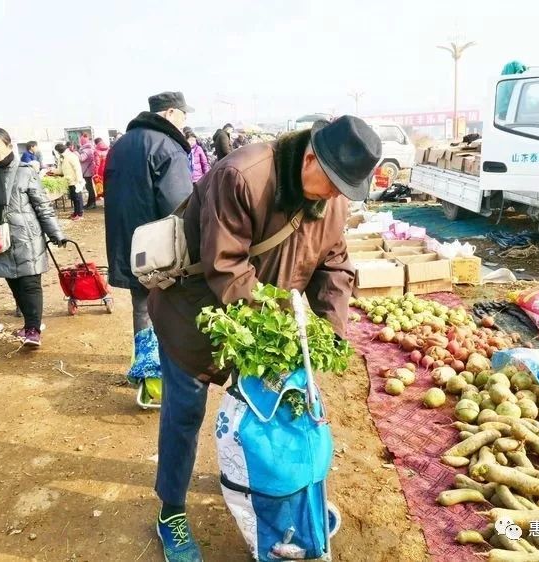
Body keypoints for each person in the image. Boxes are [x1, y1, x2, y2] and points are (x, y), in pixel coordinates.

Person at [147, 116, 382, 561]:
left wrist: (330, 333)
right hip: (195, 315)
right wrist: (279, 327)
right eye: (332, 185)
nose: (336, 197)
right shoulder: (243, 176)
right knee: (185, 413)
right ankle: (171, 512)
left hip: (261, 327)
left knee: (276, 410)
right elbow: (227, 266)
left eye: (344, 191)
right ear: (310, 157)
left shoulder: (332, 202)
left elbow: (335, 267)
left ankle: (268, 490)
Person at [104, 91, 194, 380]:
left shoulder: (120, 145)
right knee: (171, 305)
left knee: (141, 304)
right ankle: (168, 368)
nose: (185, 120)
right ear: (169, 113)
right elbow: (179, 204)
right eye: (183, 114)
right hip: (161, 246)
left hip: (128, 241)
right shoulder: (167, 146)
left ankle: (145, 366)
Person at [0, 127, 66, 348]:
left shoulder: (25, 171)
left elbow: (43, 206)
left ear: (8, 145)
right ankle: (29, 323)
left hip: (26, 236)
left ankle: (33, 329)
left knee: (30, 282)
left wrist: (55, 233)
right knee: (13, 281)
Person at [78, 133, 97, 209]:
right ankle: (91, 203)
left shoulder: (86, 150)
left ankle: (91, 204)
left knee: (89, 188)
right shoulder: (91, 148)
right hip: (89, 170)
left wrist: (75, 153)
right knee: (90, 188)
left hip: (87, 172)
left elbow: (82, 158)